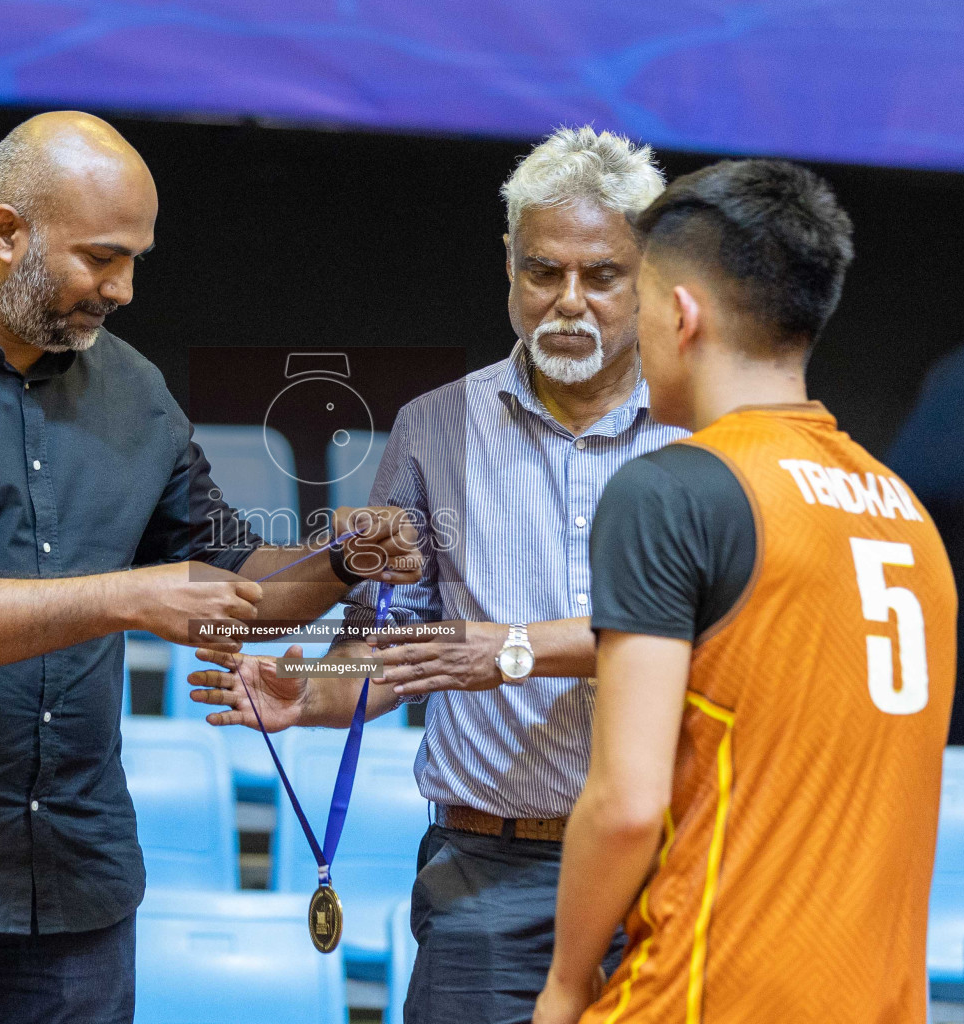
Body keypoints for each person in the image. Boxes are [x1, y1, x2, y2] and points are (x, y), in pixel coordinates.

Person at [0, 111, 419, 1024]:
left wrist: (345, 557)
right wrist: (126, 598)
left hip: (74, 881)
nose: (126, 288)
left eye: (137, 259)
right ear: (5, 232)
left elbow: (243, 594)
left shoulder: (134, 391)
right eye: (102, 258)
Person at [188, 127, 686, 1024]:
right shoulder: (435, 427)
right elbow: (397, 645)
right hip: (486, 878)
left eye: (602, 276)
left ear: (649, 273)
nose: (568, 303)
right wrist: (315, 689)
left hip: (674, 875)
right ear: (507, 263)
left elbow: (714, 636)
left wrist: (516, 650)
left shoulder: (707, 434)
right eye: (542, 272)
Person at [533, 159, 958, 1024]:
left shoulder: (675, 491)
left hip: (704, 996)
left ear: (681, 316)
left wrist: (566, 986)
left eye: (640, 301)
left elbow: (626, 802)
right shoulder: (908, 515)